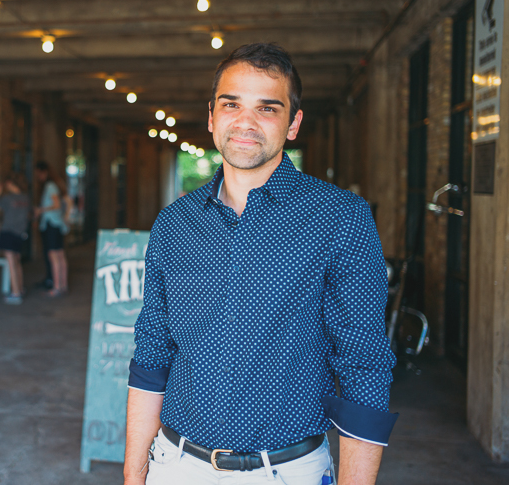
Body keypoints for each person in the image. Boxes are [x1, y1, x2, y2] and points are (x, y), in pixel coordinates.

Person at [124, 43, 397, 485]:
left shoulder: (340, 217)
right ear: (212, 116)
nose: (245, 122)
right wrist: (134, 474)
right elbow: (152, 352)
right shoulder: (174, 223)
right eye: (231, 104)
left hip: (286, 472)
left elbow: (363, 365)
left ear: (294, 123)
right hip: (175, 465)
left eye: (267, 108)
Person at [0, 172, 30, 305]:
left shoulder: (7, 198)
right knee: (17, 261)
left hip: (8, 232)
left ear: (9, 183)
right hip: (20, 232)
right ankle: (20, 289)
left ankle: (16, 293)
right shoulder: (25, 198)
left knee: (11, 262)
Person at [34, 161, 70, 297]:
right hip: (58, 224)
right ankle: (63, 285)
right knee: (60, 255)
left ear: (43, 172)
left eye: (38, 174)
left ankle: (56, 287)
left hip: (51, 224)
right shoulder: (56, 184)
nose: (38, 177)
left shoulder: (50, 186)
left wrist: (41, 210)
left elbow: (56, 204)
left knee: (53, 256)